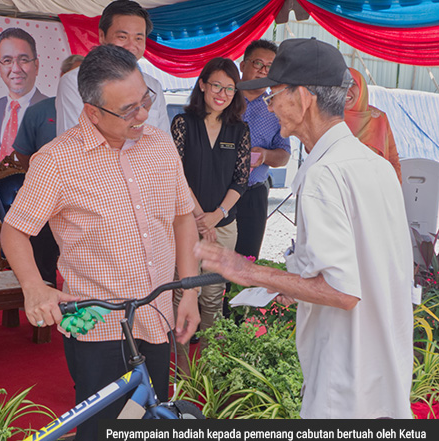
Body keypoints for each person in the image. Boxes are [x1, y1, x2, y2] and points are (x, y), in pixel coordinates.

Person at [0, 45, 200, 441]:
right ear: (92, 112)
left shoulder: (162, 147)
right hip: (98, 321)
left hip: (156, 310)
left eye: (145, 99)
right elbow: (15, 230)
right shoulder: (57, 161)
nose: (142, 115)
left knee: (150, 424)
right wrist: (33, 287)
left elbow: (183, 218)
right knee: (102, 437)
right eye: (128, 109)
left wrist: (190, 293)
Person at [197, 38, 414, 419]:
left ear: (302, 97)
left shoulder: (323, 176)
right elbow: (366, 267)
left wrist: (249, 271)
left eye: (273, 95)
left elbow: (343, 291)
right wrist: (292, 286)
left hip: (344, 383)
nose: (269, 105)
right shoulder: (374, 164)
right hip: (386, 373)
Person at [170, 57, 250, 367]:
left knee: (213, 298)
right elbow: (177, 177)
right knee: (182, 293)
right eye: (216, 85)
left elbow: (240, 181)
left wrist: (216, 215)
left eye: (229, 88)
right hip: (185, 222)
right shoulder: (182, 123)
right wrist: (199, 217)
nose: (222, 93)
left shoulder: (239, 129)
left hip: (223, 225)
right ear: (202, 84)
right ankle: (182, 371)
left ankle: (207, 372)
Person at [10, 54, 84, 287]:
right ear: (63, 78)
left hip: (83, 203)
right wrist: (41, 178)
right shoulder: (39, 110)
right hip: (45, 202)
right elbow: (23, 153)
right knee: (44, 260)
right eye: (75, 75)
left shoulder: (98, 112)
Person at [55, 0, 170, 135]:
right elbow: (73, 143)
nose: (131, 46)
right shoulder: (73, 82)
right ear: (102, 36)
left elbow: (164, 141)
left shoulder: (153, 86)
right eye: (122, 37)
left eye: (138, 38)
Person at [235, 39, 291, 259]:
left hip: (253, 193)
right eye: (258, 63)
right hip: (216, 191)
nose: (263, 71)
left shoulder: (276, 107)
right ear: (243, 64)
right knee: (210, 259)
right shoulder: (223, 97)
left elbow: (284, 154)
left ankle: (237, 295)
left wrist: (265, 155)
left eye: (269, 67)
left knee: (246, 260)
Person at [0, 27, 48, 164]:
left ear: (36, 65)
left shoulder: (54, 111)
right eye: (7, 61)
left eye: (23, 60)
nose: (16, 69)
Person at [345, 67, 402, 183]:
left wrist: (394, 192)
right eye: (341, 85)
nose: (346, 90)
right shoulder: (329, 118)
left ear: (362, 88)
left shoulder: (378, 118)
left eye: (352, 84)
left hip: (373, 191)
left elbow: (393, 161)